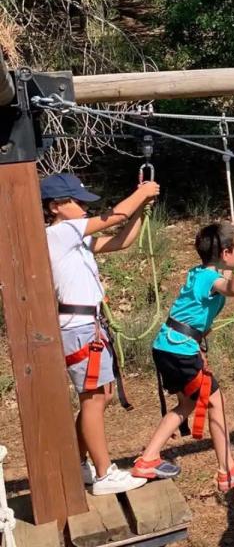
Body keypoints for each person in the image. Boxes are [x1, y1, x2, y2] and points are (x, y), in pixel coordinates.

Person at [132, 222, 234, 492]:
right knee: (215, 402)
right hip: (179, 349)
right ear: (228, 253)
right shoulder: (209, 278)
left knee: (188, 404)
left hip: (171, 346)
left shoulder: (201, 272)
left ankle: (148, 459)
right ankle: (227, 469)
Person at [43, 172, 155, 495]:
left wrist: (141, 208)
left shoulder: (72, 237)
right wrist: (142, 193)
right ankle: (104, 474)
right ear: (56, 207)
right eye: (76, 202)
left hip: (88, 326)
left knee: (100, 396)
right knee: (93, 399)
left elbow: (121, 240)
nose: (82, 207)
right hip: (78, 328)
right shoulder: (60, 233)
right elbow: (113, 216)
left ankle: (79, 463)